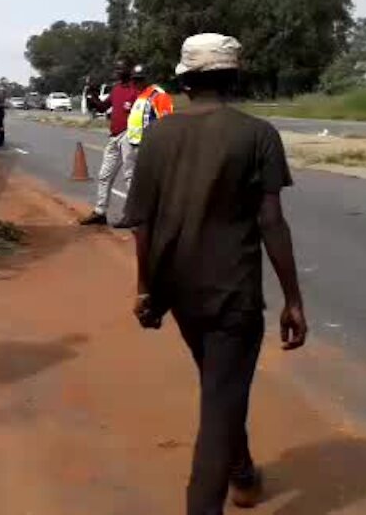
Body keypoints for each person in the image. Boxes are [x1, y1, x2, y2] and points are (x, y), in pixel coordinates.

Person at [122, 33, 307, 515]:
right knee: (221, 397)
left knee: (220, 385)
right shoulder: (257, 134)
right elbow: (271, 221)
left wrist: (146, 289)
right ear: (233, 78)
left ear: (185, 81)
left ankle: (243, 473)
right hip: (232, 294)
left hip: (179, 292)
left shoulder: (158, 136)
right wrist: (293, 299)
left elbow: (141, 223)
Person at [81, 60, 143, 226]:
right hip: (114, 136)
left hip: (128, 136)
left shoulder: (135, 91)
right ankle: (100, 212)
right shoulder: (116, 90)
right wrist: (92, 95)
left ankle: (132, 215)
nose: (116, 72)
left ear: (127, 72)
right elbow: (102, 108)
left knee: (129, 176)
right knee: (104, 175)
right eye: (115, 69)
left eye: (119, 69)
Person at [126, 70, 175, 149]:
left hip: (150, 145)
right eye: (134, 80)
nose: (135, 83)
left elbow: (166, 122)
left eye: (139, 80)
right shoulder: (140, 95)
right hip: (135, 143)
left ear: (147, 79)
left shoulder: (158, 95)